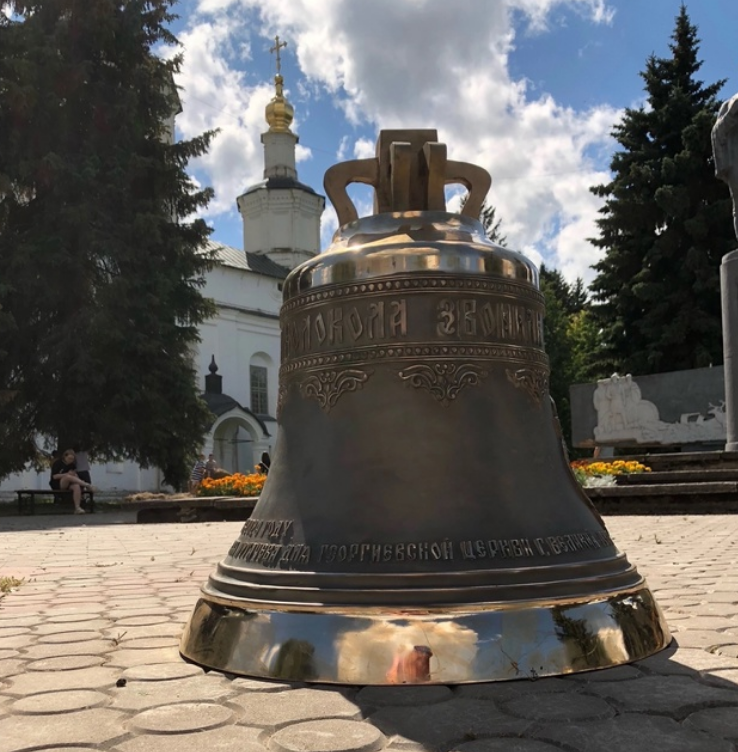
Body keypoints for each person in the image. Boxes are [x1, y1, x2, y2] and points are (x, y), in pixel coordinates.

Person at [50, 448, 94, 514]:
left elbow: (74, 476)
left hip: (69, 483)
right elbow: (54, 476)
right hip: (58, 484)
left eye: (72, 459)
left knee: (76, 486)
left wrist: (75, 476)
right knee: (67, 477)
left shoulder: (72, 465)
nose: (70, 461)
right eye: (69, 459)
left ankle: (77, 507)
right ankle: (86, 484)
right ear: (65, 457)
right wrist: (66, 474)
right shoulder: (58, 463)